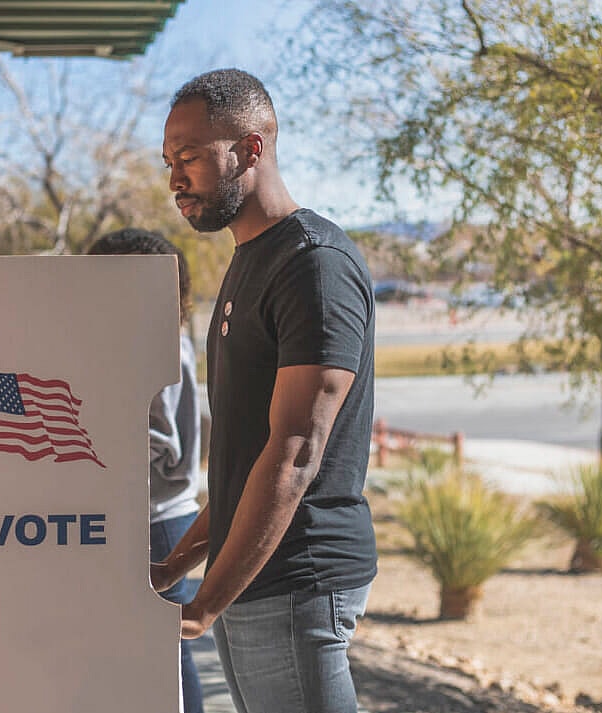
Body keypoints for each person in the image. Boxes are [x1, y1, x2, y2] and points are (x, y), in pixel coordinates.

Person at [150, 68, 378, 713]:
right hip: (253, 577)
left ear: (251, 149)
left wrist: (205, 606)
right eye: (169, 160)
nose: (174, 179)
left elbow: (296, 453)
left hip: (296, 576)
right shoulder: (251, 260)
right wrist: (175, 568)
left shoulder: (313, 264)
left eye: (190, 157)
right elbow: (245, 459)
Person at [86, 229, 205, 713]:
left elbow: (159, 445)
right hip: (159, 516)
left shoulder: (164, 348)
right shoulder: (151, 342)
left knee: (167, 652)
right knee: (162, 650)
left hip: (159, 520)